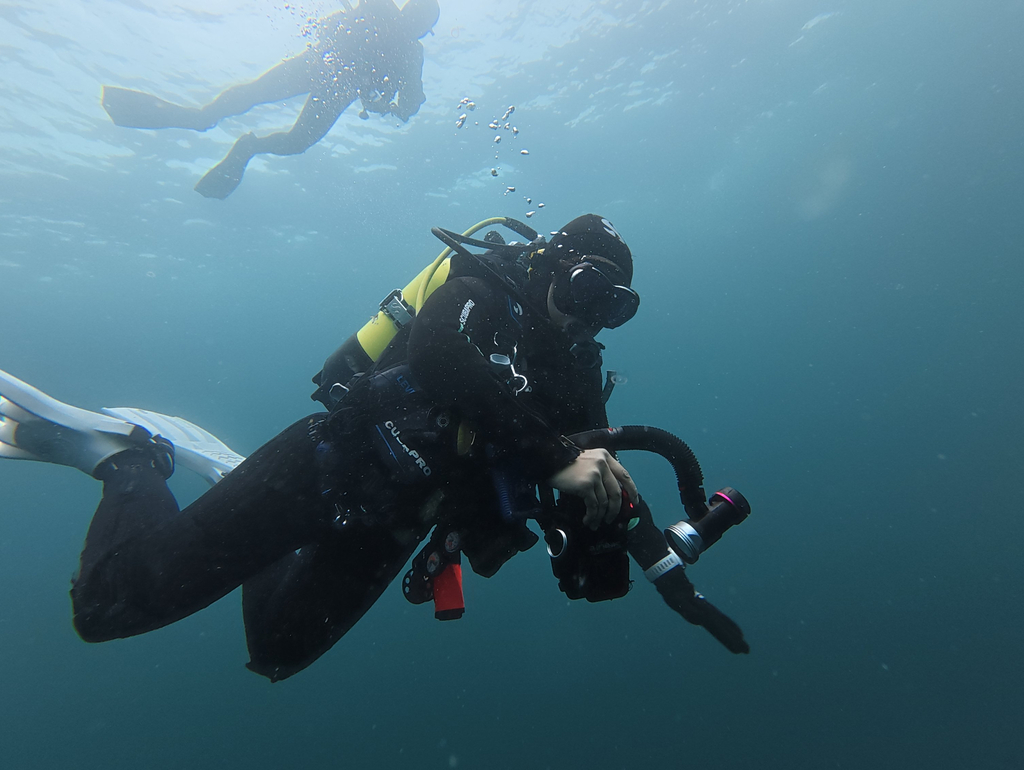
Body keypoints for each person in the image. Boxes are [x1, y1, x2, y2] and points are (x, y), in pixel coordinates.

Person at [0, 214, 748, 682]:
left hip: (396, 523)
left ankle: (227, 492)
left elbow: (579, 470)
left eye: (614, 305)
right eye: (588, 289)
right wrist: (557, 457)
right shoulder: (484, 285)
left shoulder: (577, 373)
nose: (593, 317)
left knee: (278, 654)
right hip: (322, 469)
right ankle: (130, 459)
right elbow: (437, 363)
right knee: (106, 609)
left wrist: (602, 542)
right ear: (553, 265)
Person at [101, 0, 440, 198]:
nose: (418, 29)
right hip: (325, 74)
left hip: (326, 76)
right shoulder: (400, 36)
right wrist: (402, 105)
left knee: (280, 127)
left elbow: (408, 101)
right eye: (422, 24)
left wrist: (407, 102)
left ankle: (234, 139)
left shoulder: (402, 39)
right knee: (275, 120)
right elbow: (407, 105)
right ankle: (216, 128)